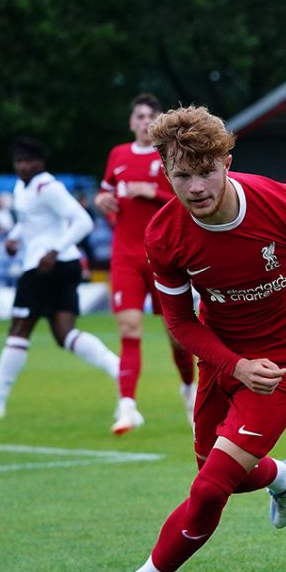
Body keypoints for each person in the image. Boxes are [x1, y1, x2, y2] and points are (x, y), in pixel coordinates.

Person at [98, 105, 286, 572]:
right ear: (165, 172)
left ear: (227, 161)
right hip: (223, 357)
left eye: (206, 170)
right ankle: (283, 475)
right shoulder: (165, 235)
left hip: (285, 363)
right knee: (222, 477)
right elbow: (181, 324)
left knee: (210, 488)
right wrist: (233, 365)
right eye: (181, 175)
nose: (195, 187)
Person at [0, 138, 121, 421]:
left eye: (28, 161)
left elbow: (83, 220)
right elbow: (29, 221)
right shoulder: (22, 188)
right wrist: (13, 237)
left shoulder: (49, 188)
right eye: (18, 161)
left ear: (41, 163)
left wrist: (54, 249)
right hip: (61, 265)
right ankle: (119, 369)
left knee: (19, 329)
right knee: (64, 333)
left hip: (46, 267)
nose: (23, 166)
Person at [94, 93, 198, 434]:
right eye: (138, 116)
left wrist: (151, 192)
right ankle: (127, 407)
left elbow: (188, 198)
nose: (143, 122)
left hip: (163, 255)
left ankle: (188, 389)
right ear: (131, 122)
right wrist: (102, 200)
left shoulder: (170, 155)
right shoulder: (118, 155)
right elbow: (106, 192)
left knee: (178, 338)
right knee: (129, 330)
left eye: (149, 117)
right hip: (124, 256)